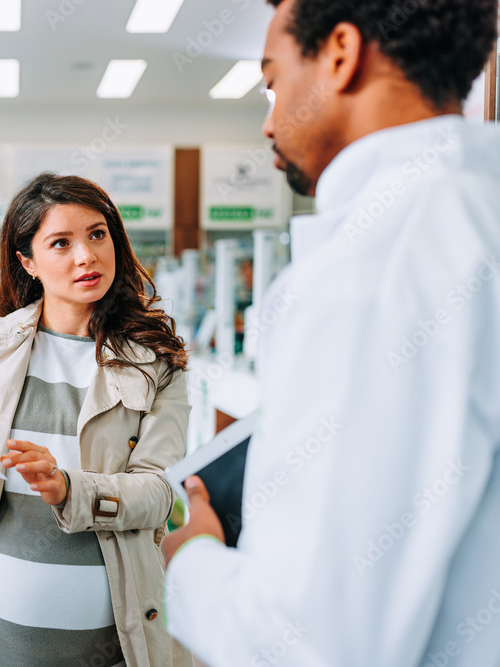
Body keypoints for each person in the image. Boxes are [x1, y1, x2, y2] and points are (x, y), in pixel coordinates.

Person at [161, 1, 500, 665]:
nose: (267, 119)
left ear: (341, 54)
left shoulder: (374, 265)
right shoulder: (475, 202)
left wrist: (191, 557)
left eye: (271, 80)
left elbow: (308, 642)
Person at [0, 173, 194, 667]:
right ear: (27, 262)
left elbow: (160, 495)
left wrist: (70, 488)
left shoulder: (157, 362)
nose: (86, 255)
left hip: (113, 640)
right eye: (61, 243)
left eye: (96, 234)